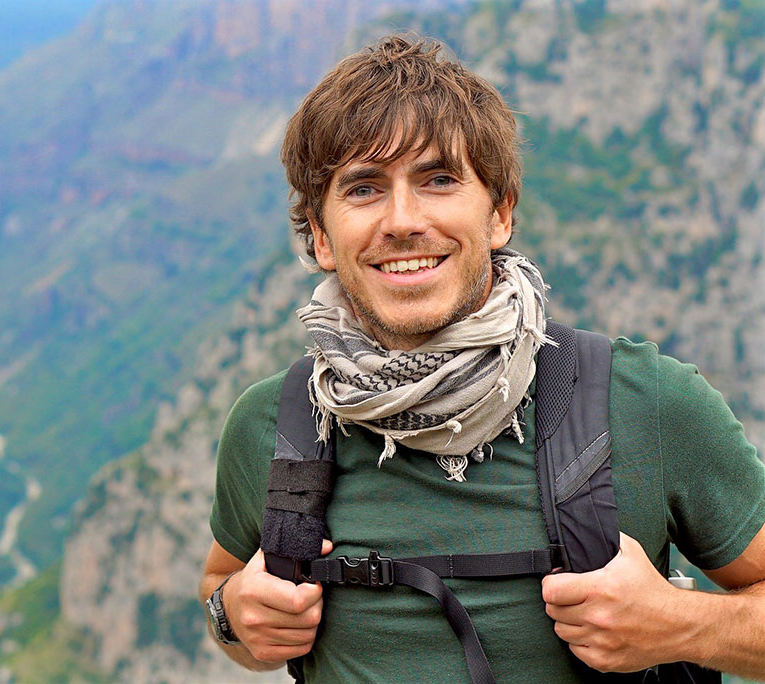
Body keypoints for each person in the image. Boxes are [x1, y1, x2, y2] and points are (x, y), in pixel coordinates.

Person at [199, 35, 765, 683]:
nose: (403, 219)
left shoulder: (644, 402)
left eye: (439, 179)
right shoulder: (274, 424)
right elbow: (223, 590)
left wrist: (682, 623)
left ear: (500, 213)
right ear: (322, 237)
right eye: (363, 188)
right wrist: (233, 615)